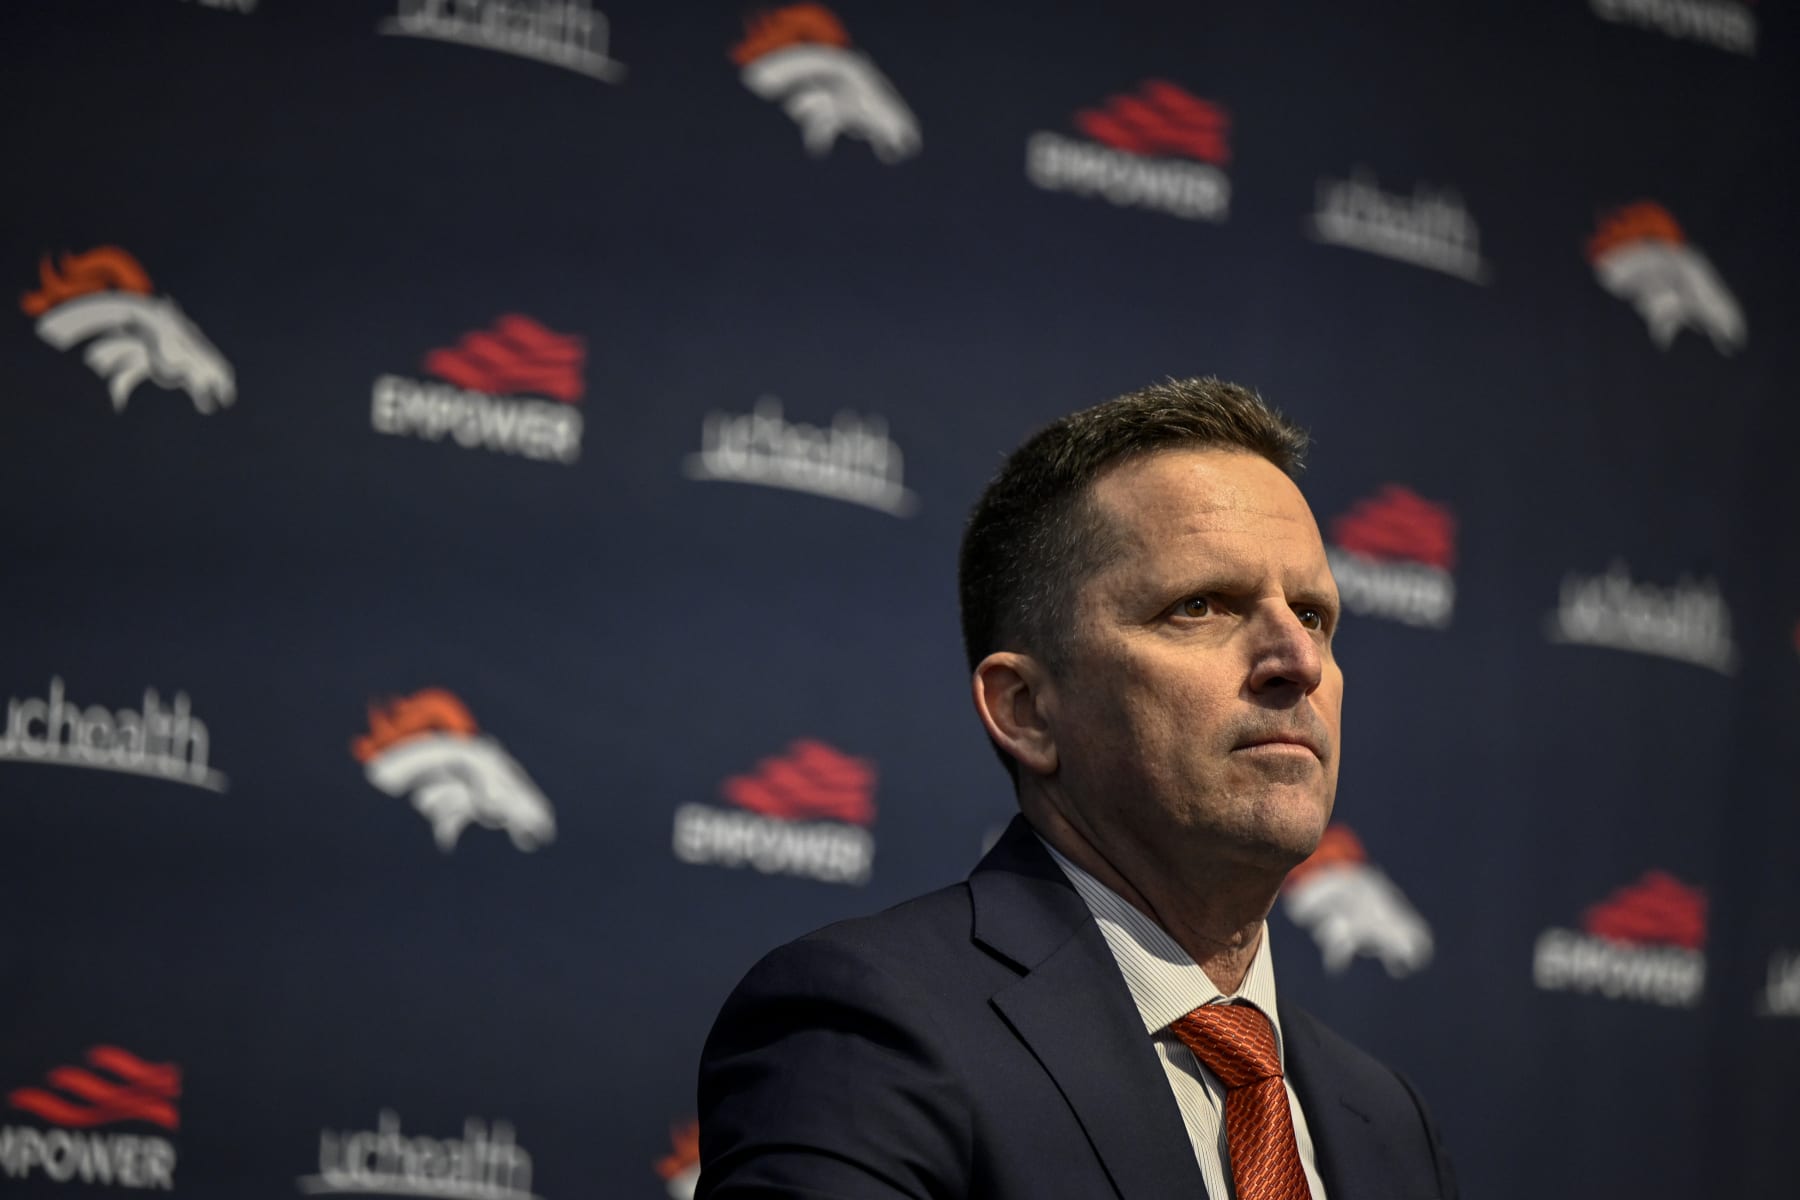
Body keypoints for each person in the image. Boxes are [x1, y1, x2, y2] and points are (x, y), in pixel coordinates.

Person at [696, 378, 1459, 1199]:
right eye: (1200, 606)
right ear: (1027, 711)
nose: (1298, 662)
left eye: (1311, 614)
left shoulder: (1387, 1125)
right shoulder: (869, 1032)